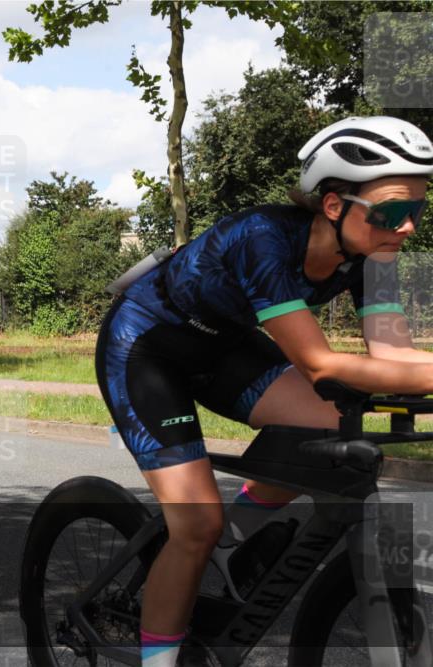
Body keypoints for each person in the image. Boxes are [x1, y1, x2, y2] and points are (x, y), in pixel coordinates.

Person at [95, 115, 433, 666]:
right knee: (194, 523)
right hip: (146, 350)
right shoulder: (261, 238)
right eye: (393, 212)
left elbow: (393, 357)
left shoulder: (373, 256)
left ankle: (232, 542)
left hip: (224, 347)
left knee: (328, 431)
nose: (408, 227)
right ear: (333, 205)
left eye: (417, 210)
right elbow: (321, 363)